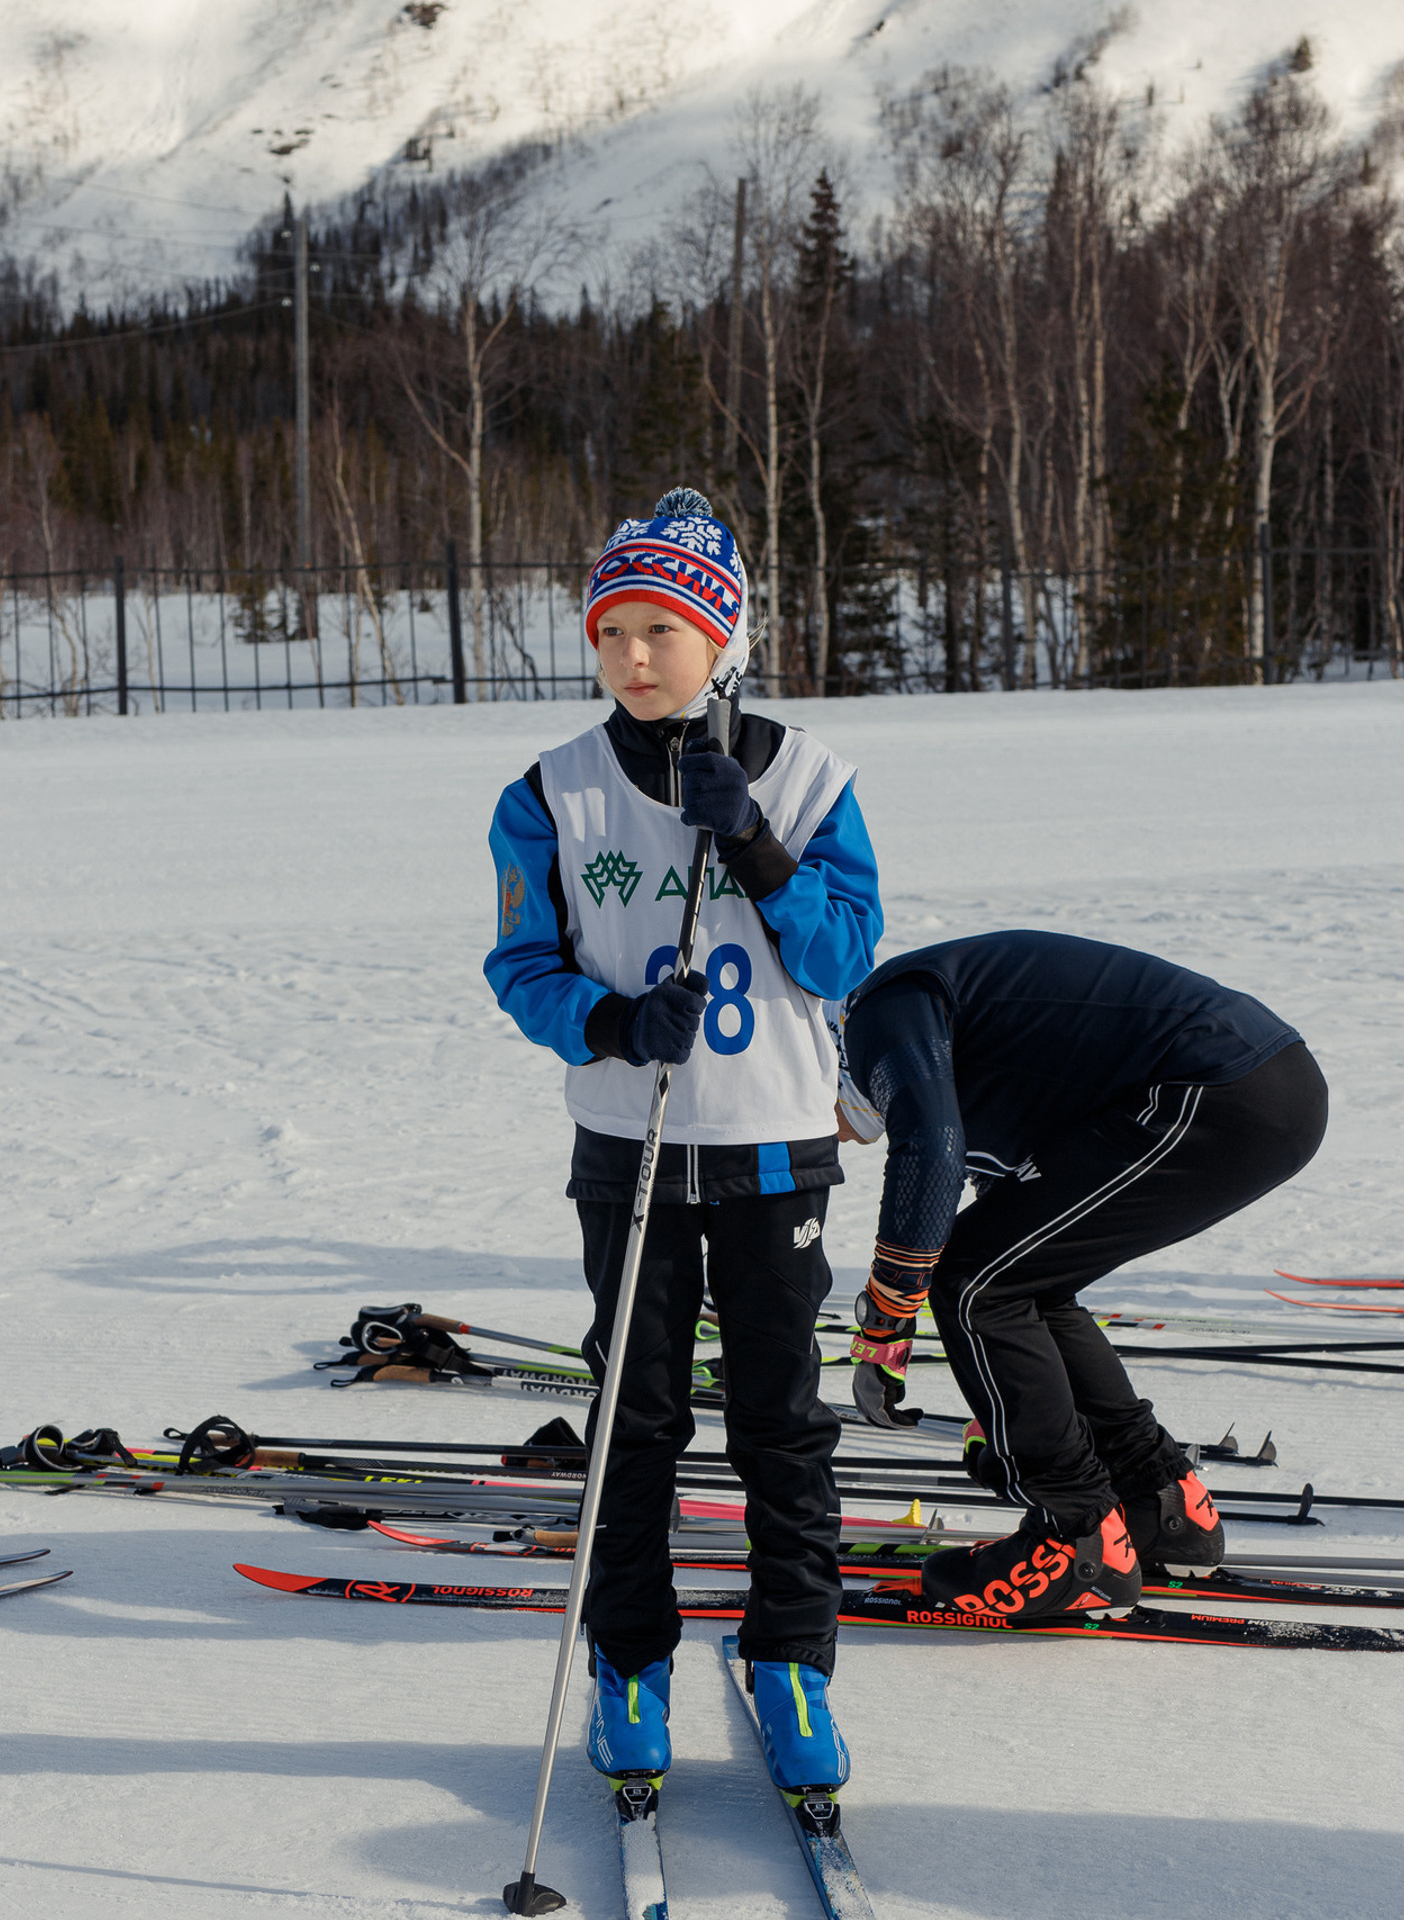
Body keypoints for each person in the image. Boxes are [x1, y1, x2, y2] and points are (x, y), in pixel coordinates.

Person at [484, 487, 883, 1802]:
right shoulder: (552, 794)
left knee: (782, 1419)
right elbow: (521, 965)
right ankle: (632, 1656)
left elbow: (842, 952)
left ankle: (792, 1659)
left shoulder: (810, 779)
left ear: (726, 640)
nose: (637, 656)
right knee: (634, 1414)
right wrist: (606, 1016)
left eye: (665, 629)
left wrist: (760, 849)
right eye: (613, 633)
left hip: (773, 1145)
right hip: (632, 1146)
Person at [832, 929, 1327, 1622]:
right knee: (1018, 1277)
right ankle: (1160, 1503)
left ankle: (1077, 1542)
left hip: (1216, 1084)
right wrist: (1010, 1414)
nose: (831, 1137)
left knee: (972, 1279)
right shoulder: (928, 1052)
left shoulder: (878, 1012)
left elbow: (929, 1151)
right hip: (1254, 1082)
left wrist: (885, 1327)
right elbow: (1008, 1242)